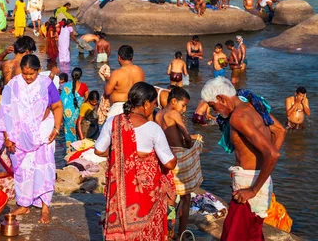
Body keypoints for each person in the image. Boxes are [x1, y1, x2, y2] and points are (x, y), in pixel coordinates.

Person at [200, 78, 285, 240]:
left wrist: (252, 190)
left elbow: (273, 154)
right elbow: (280, 131)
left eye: (212, 106)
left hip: (249, 187)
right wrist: (263, 166)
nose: (216, 111)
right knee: (252, 234)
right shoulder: (254, 107)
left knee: (234, 235)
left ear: (221, 98)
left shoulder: (238, 117)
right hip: (261, 181)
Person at [94, 82, 176, 240]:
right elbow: (169, 163)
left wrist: (121, 152)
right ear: (146, 104)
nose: (153, 108)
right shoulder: (153, 129)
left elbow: (99, 150)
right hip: (146, 196)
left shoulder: (113, 122)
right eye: (153, 104)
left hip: (120, 193)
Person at [0, 55, 63, 224]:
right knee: (23, 169)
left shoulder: (46, 84)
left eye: (31, 74)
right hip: (19, 135)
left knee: (44, 167)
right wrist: (7, 137)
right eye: (25, 73)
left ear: (38, 70)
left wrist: (56, 128)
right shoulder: (13, 85)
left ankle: (45, 207)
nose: (27, 77)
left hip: (43, 133)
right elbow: (5, 111)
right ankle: (24, 203)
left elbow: (57, 106)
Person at [155, 87, 202, 239]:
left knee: (170, 197)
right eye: (184, 105)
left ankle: (169, 231)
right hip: (179, 159)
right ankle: (181, 233)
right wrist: (192, 145)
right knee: (185, 198)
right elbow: (186, 138)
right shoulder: (174, 113)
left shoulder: (159, 114)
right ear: (174, 101)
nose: (184, 109)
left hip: (167, 157)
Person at [104, 45, 146, 120]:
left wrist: (108, 80)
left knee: (115, 130)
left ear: (119, 57)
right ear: (132, 58)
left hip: (119, 108)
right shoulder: (140, 71)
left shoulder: (116, 73)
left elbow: (107, 92)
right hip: (135, 107)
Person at [61, 68, 89, 147]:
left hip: (67, 115)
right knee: (78, 132)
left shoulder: (66, 86)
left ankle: (69, 151)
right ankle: (78, 150)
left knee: (68, 134)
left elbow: (62, 100)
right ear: (80, 76)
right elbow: (87, 100)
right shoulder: (84, 86)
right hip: (78, 114)